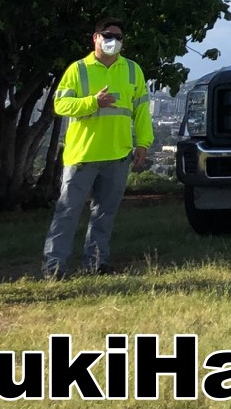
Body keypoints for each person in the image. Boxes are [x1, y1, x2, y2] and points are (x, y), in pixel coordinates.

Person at [41, 18, 152, 278]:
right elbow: (61, 106)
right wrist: (93, 102)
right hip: (83, 155)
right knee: (67, 213)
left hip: (118, 154)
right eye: (108, 35)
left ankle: (97, 264)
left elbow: (142, 111)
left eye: (118, 37)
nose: (113, 40)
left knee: (105, 214)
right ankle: (54, 268)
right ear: (95, 38)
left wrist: (143, 144)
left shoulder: (133, 70)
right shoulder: (78, 69)